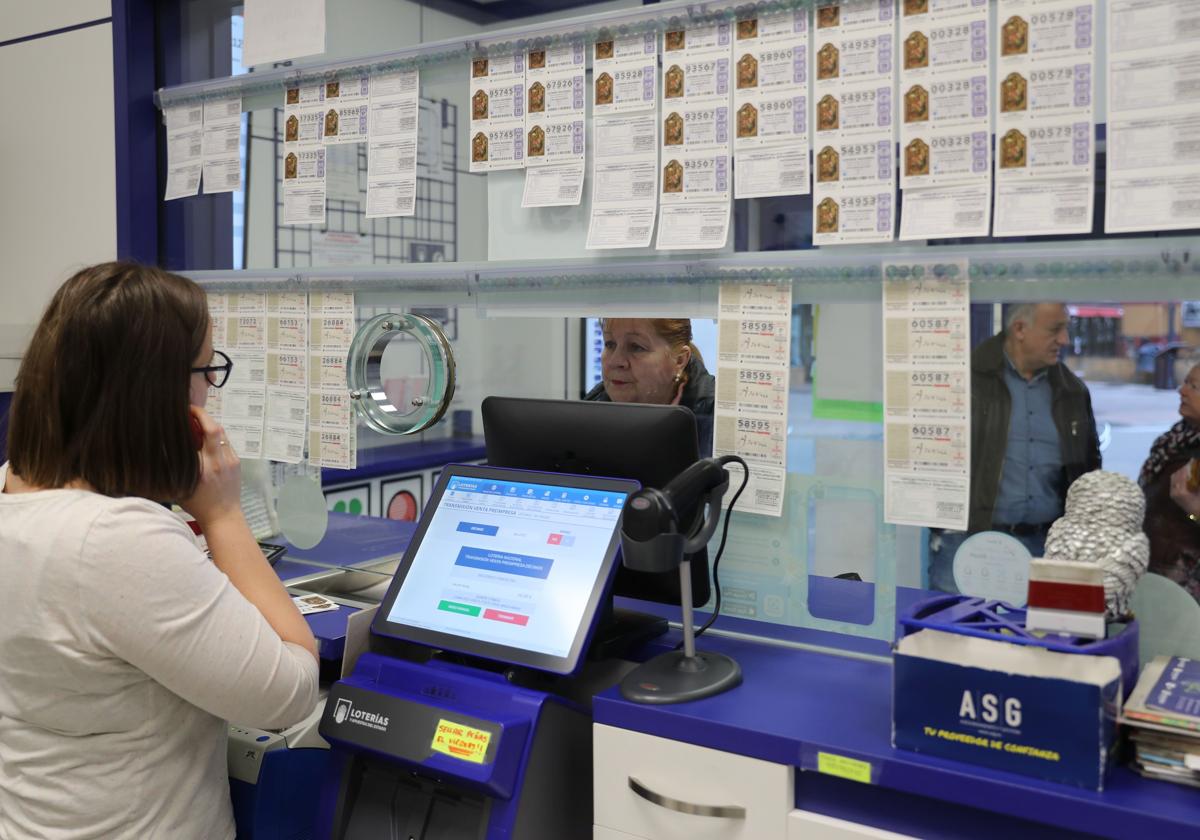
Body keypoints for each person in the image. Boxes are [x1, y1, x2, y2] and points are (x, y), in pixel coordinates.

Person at [0, 263, 319, 839]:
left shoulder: (12, 491)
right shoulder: (115, 539)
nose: (207, 391)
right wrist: (222, 512)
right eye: (205, 372)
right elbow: (290, 691)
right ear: (158, 391)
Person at [929, 302, 1101, 592]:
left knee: (1036, 636)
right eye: (1055, 329)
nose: (1065, 340)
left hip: (1045, 548)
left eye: (1065, 329)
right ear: (1020, 329)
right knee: (956, 633)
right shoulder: (966, 380)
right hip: (968, 543)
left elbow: (1088, 470)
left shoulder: (1071, 392)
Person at [584, 318, 714, 457]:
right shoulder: (588, 413)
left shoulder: (717, 420)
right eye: (610, 344)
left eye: (636, 347)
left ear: (680, 360)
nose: (615, 361)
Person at [1140, 362, 1200, 602]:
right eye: (1185, 382)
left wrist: (1192, 508)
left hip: (1189, 585)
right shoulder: (1173, 440)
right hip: (1154, 569)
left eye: (1194, 386)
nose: (1182, 391)